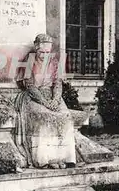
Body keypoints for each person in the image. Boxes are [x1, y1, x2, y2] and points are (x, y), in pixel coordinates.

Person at [14, 33, 76, 169]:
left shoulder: (54, 62)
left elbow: (58, 84)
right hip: (33, 96)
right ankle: (46, 159)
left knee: (65, 117)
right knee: (44, 117)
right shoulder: (29, 60)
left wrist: (55, 99)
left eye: (47, 52)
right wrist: (45, 102)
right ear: (36, 48)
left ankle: (64, 157)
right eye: (41, 52)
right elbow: (30, 86)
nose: (44, 55)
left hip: (52, 96)